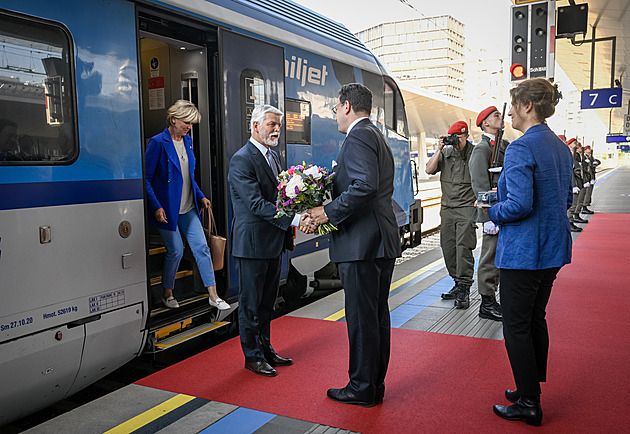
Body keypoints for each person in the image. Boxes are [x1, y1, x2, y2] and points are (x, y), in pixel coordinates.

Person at [485, 78, 572, 426]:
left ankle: (529, 403)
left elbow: (519, 204)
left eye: (513, 105)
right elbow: (564, 200)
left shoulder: (522, 148)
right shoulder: (560, 147)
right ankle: (528, 387)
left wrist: (492, 211)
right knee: (536, 318)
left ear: (527, 106)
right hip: (552, 250)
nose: (509, 114)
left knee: (516, 326)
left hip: (524, 252)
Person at [307, 83, 400, 407]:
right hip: (379, 241)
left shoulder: (358, 136)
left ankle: (361, 387)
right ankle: (373, 384)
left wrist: (326, 212)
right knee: (375, 316)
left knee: (362, 319)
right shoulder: (376, 136)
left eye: (335, 108)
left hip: (363, 244)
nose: (334, 114)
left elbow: (363, 185)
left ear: (347, 106)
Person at [228, 104, 307, 377]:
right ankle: (252, 357)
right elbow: (255, 204)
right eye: (271, 124)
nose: (276, 129)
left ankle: (265, 349)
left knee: (266, 303)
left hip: (273, 243)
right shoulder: (242, 159)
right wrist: (295, 220)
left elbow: (281, 199)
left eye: (279, 125)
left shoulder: (274, 158)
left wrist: (298, 210)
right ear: (255, 126)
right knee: (250, 304)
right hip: (251, 245)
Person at [145, 100, 230, 311]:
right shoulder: (157, 143)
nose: (189, 127)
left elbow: (188, 177)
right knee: (175, 251)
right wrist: (156, 206)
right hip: (167, 210)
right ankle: (167, 292)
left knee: (202, 248)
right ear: (173, 119)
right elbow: (145, 179)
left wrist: (200, 196)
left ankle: (213, 295)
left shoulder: (188, 142)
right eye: (186, 122)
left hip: (189, 207)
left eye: (191, 124)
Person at [425, 120, 477, 309]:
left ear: (466, 136)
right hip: (447, 208)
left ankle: (464, 287)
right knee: (447, 247)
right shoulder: (446, 153)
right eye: (453, 137)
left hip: (466, 207)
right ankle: (457, 282)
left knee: (463, 247)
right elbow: (429, 169)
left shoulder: (474, 154)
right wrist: (438, 149)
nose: (456, 142)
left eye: (459, 138)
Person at [469, 106, 508, 321]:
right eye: (496, 116)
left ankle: (494, 298)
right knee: (489, 257)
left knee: (499, 255)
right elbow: (480, 184)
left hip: (504, 210)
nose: (500, 118)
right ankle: (486, 302)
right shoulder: (482, 149)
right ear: (485, 123)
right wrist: (487, 215)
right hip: (493, 212)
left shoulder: (502, 145)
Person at [568, 140, 589, 227]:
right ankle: (570, 221)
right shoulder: (571, 156)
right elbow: (571, 172)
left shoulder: (577, 156)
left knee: (577, 202)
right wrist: (573, 185)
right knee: (573, 204)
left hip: (579, 182)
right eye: (574, 143)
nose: (576, 145)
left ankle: (574, 218)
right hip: (575, 183)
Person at [581, 145, 600, 213]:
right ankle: (584, 207)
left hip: (591, 177)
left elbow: (597, 162)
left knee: (589, 193)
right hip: (586, 178)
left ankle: (586, 205)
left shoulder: (591, 157)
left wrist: (595, 162)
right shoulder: (584, 157)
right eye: (588, 149)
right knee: (586, 193)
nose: (590, 149)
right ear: (585, 150)